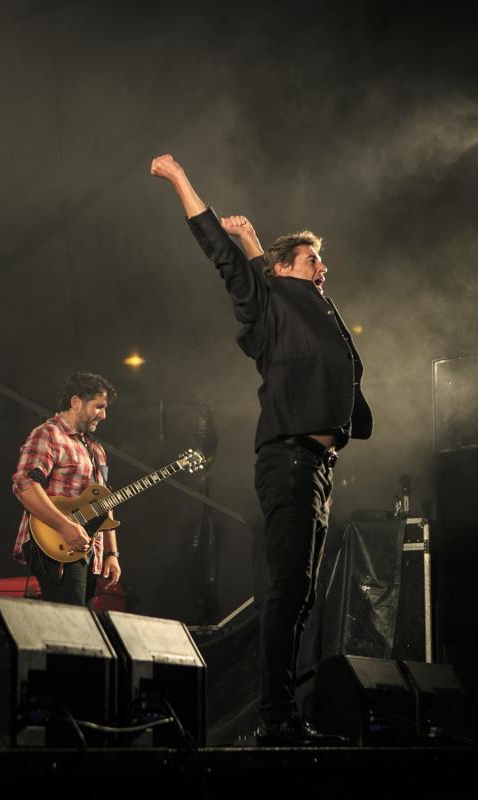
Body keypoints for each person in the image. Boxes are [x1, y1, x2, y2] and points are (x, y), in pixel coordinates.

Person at [151, 153, 373, 745]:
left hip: (316, 466)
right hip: (289, 459)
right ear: (282, 270)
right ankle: (275, 718)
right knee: (287, 589)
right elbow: (223, 257)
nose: (324, 266)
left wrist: (254, 241)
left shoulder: (313, 307)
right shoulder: (269, 304)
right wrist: (180, 180)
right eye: (312, 259)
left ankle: (283, 714)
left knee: (301, 594)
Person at [11, 372, 122, 607]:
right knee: (70, 620)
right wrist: (64, 526)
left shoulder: (95, 449)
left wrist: (111, 554)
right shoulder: (48, 434)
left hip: (88, 549)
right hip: (55, 542)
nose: (104, 415)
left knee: (80, 622)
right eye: (99, 407)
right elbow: (25, 484)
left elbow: (105, 502)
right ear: (76, 402)